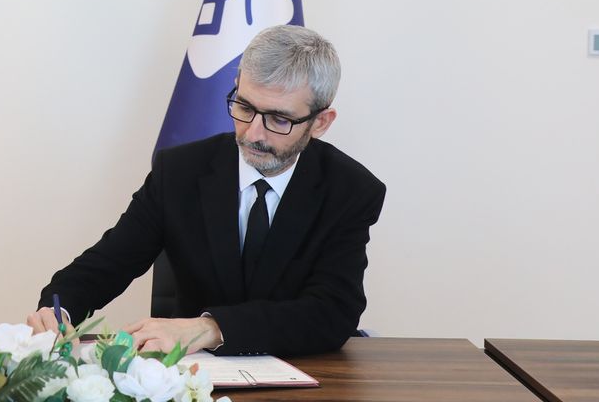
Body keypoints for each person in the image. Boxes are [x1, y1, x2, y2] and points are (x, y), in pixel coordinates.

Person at [27, 25, 385, 357]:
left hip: (304, 373)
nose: (253, 133)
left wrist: (212, 328)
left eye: (279, 119)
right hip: (191, 374)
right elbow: (107, 264)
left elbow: (332, 312)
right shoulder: (179, 171)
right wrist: (60, 310)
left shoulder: (351, 191)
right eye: (244, 107)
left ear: (320, 122)